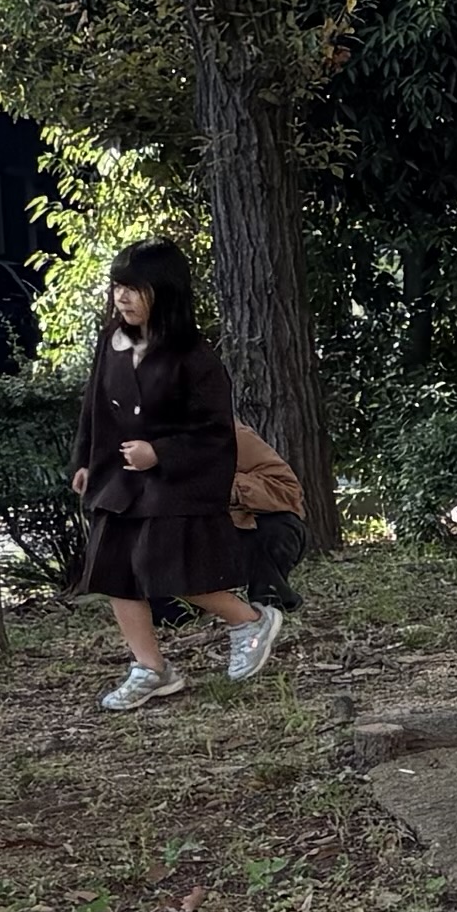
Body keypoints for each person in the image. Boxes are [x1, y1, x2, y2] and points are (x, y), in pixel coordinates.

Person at [66, 241, 276, 709]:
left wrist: (159, 453)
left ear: (166, 291)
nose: (122, 298)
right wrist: (85, 461)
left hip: (174, 486)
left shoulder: (195, 358)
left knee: (171, 570)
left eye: (135, 288)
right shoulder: (112, 340)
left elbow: (214, 433)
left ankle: (249, 621)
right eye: (117, 287)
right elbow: (94, 407)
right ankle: (151, 668)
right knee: (114, 572)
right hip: (117, 481)